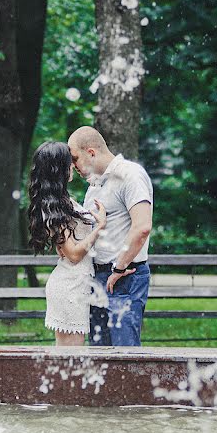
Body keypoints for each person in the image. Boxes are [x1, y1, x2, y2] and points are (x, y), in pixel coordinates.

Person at [67, 126, 153, 347]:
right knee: (99, 358)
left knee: (124, 357)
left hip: (125, 277)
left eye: (75, 158)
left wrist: (119, 268)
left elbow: (142, 227)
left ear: (92, 152)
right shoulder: (94, 187)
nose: (72, 166)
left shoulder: (131, 175)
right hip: (97, 277)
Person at [26, 141, 108, 346]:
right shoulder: (56, 206)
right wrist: (99, 228)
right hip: (70, 287)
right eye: (68, 163)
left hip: (75, 283)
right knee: (71, 361)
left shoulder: (59, 202)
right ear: (59, 168)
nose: (73, 166)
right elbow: (73, 254)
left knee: (68, 362)